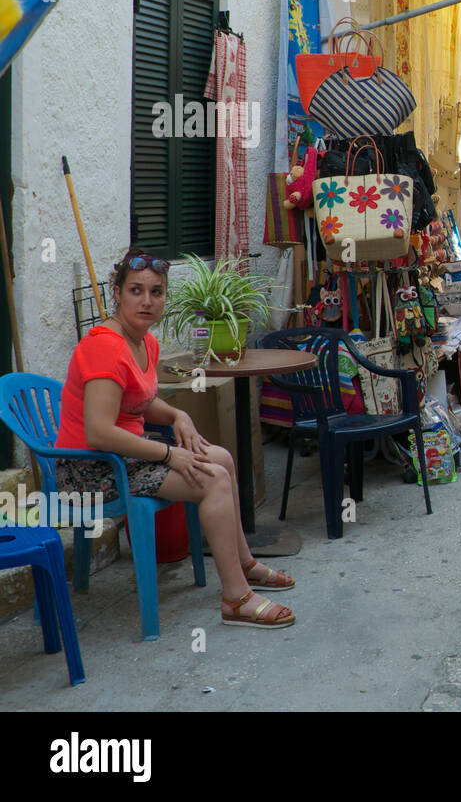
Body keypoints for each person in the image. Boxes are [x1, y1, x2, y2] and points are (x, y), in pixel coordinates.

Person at [54, 248, 295, 629]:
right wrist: (169, 454)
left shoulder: (144, 342)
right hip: (90, 470)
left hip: (123, 458)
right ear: (116, 293)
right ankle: (236, 598)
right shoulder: (105, 347)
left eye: (157, 291)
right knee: (211, 478)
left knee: (223, 459)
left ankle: (244, 564)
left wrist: (178, 414)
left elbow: (142, 402)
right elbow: (99, 432)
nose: (147, 301)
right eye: (136, 290)